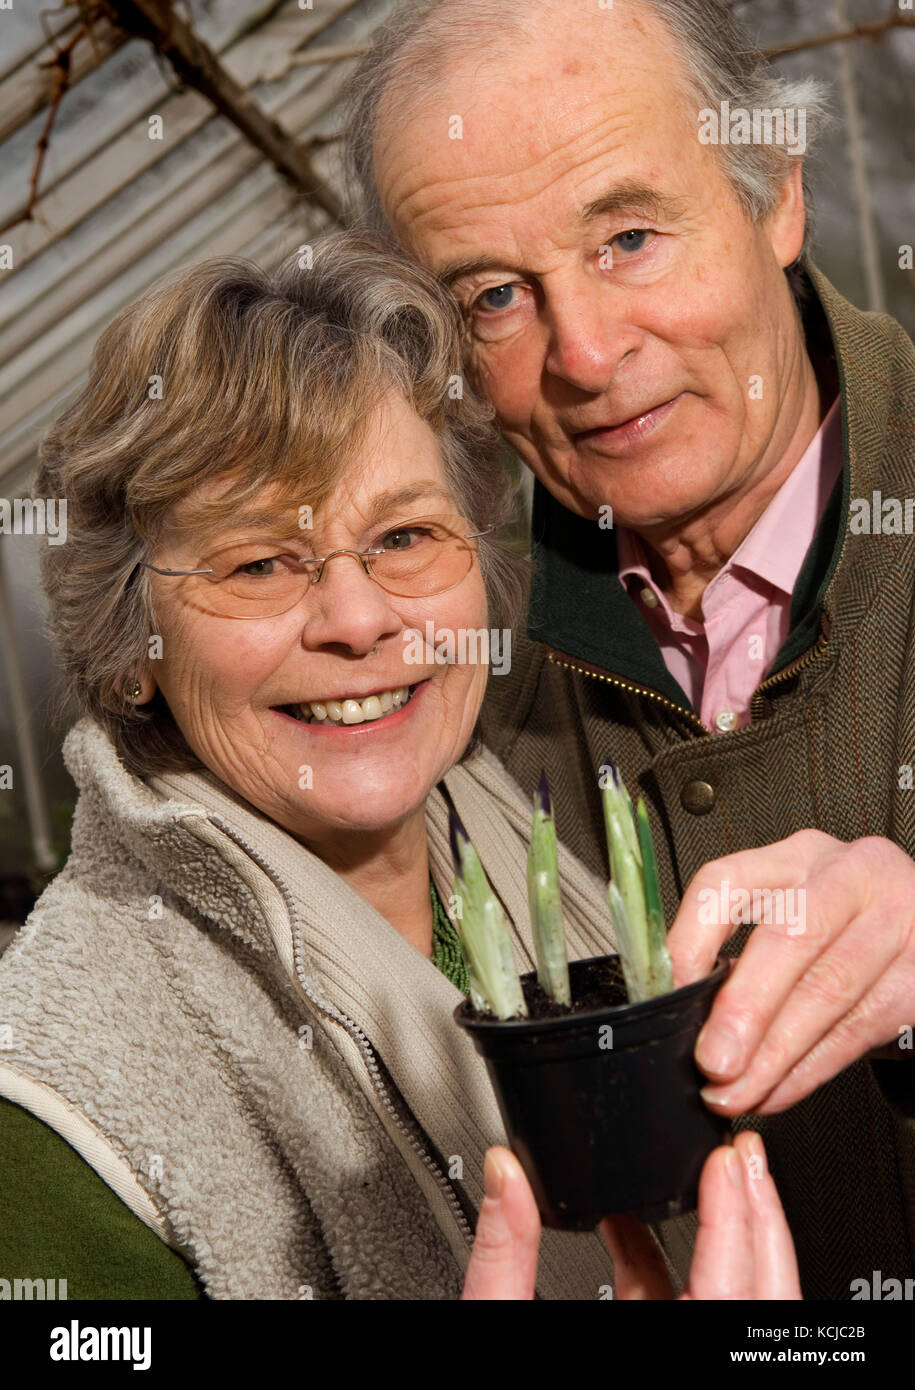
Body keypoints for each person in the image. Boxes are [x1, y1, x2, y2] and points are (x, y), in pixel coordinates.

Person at [0, 227, 799, 1299]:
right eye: (257, 562)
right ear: (132, 642)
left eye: (406, 537)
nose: (359, 617)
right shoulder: (58, 1100)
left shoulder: (587, 830)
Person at [342, 0, 915, 1297]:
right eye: (494, 295)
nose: (589, 354)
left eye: (630, 236)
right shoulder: (433, 669)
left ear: (772, 192)